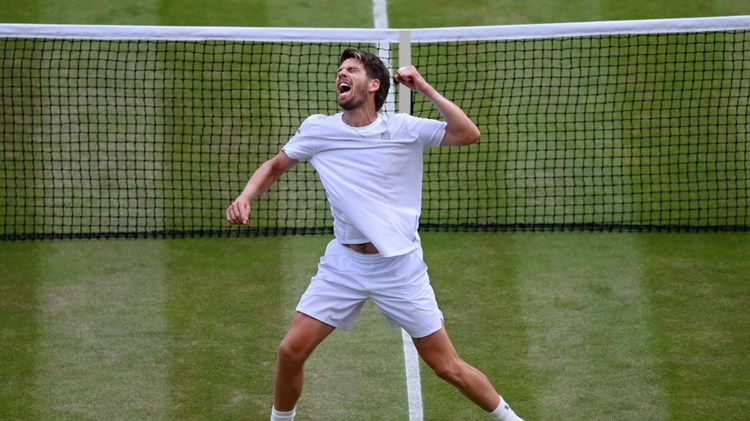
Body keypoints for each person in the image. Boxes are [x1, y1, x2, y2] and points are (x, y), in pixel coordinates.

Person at [226, 48, 523, 421]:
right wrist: (245, 196)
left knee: (447, 367)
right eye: (339, 72)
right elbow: (274, 166)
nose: (340, 76)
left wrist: (425, 89)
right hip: (344, 264)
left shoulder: (404, 128)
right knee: (290, 351)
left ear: (374, 84)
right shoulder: (318, 129)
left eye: (351, 70)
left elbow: (468, 133)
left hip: (399, 267)